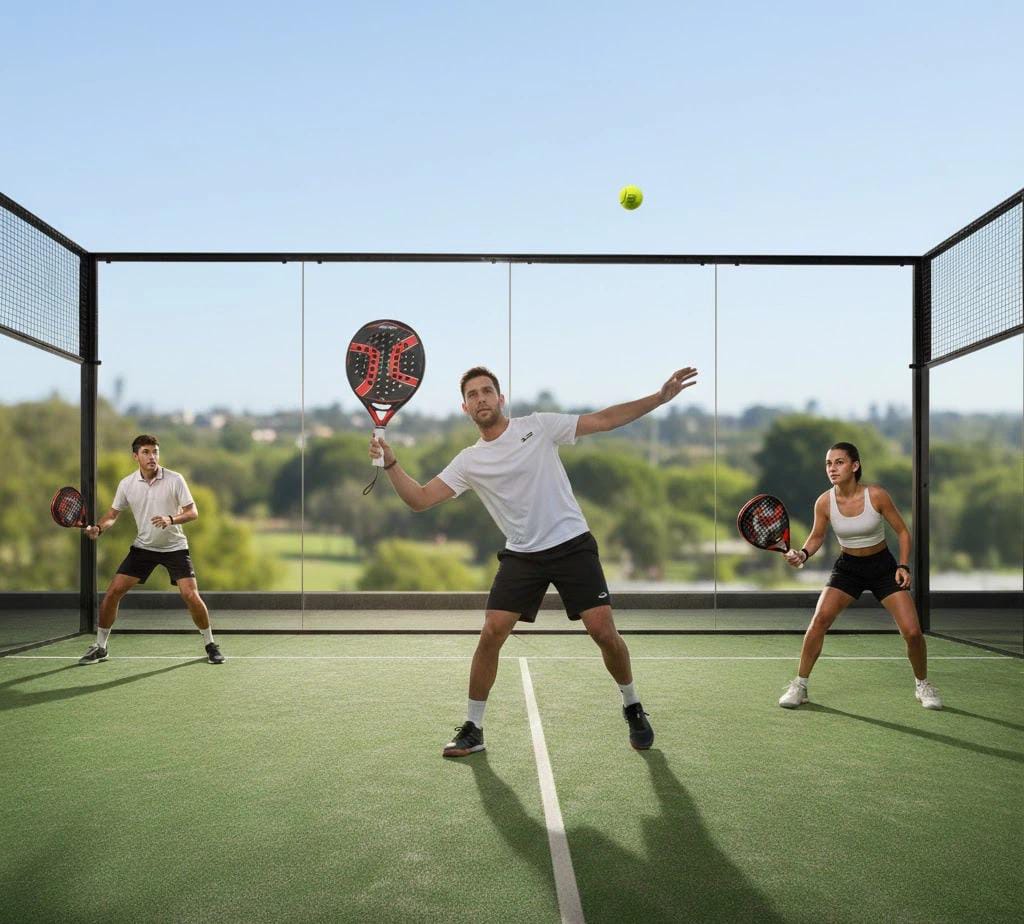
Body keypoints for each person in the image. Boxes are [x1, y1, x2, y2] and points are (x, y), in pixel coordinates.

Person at [370, 365, 698, 756]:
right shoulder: (469, 461)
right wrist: (391, 463)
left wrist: (659, 398)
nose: (481, 399)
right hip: (523, 554)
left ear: (500, 398)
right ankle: (473, 728)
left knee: (603, 633)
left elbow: (605, 420)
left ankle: (633, 706)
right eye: (473, 395)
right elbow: (420, 499)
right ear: (465, 408)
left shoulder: (539, 426)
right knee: (492, 631)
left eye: (487, 391)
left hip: (571, 543)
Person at [778, 442, 941, 710]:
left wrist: (903, 566)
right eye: (829, 463)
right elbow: (817, 536)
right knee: (819, 620)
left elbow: (902, 532)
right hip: (848, 568)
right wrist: (803, 554)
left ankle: (922, 684)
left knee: (912, 632)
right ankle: (800, 685)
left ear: (855, 466)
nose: (832, 468)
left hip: (882, 567)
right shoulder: (824, 502)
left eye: (839, 462)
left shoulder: (876, 495)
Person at [77, 435, 225, 666]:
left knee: (190, 595)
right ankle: (101, 647)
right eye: (146, 452)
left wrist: (171, 519)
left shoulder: (175, 479)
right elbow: (112, 515)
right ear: (135, 456)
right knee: (113, 592)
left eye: (155, 451)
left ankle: (210, 645)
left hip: (175, 547)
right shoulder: (126, 484)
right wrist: (98, 528)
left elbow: (192, 512)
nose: (152, 457)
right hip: (143, 548)